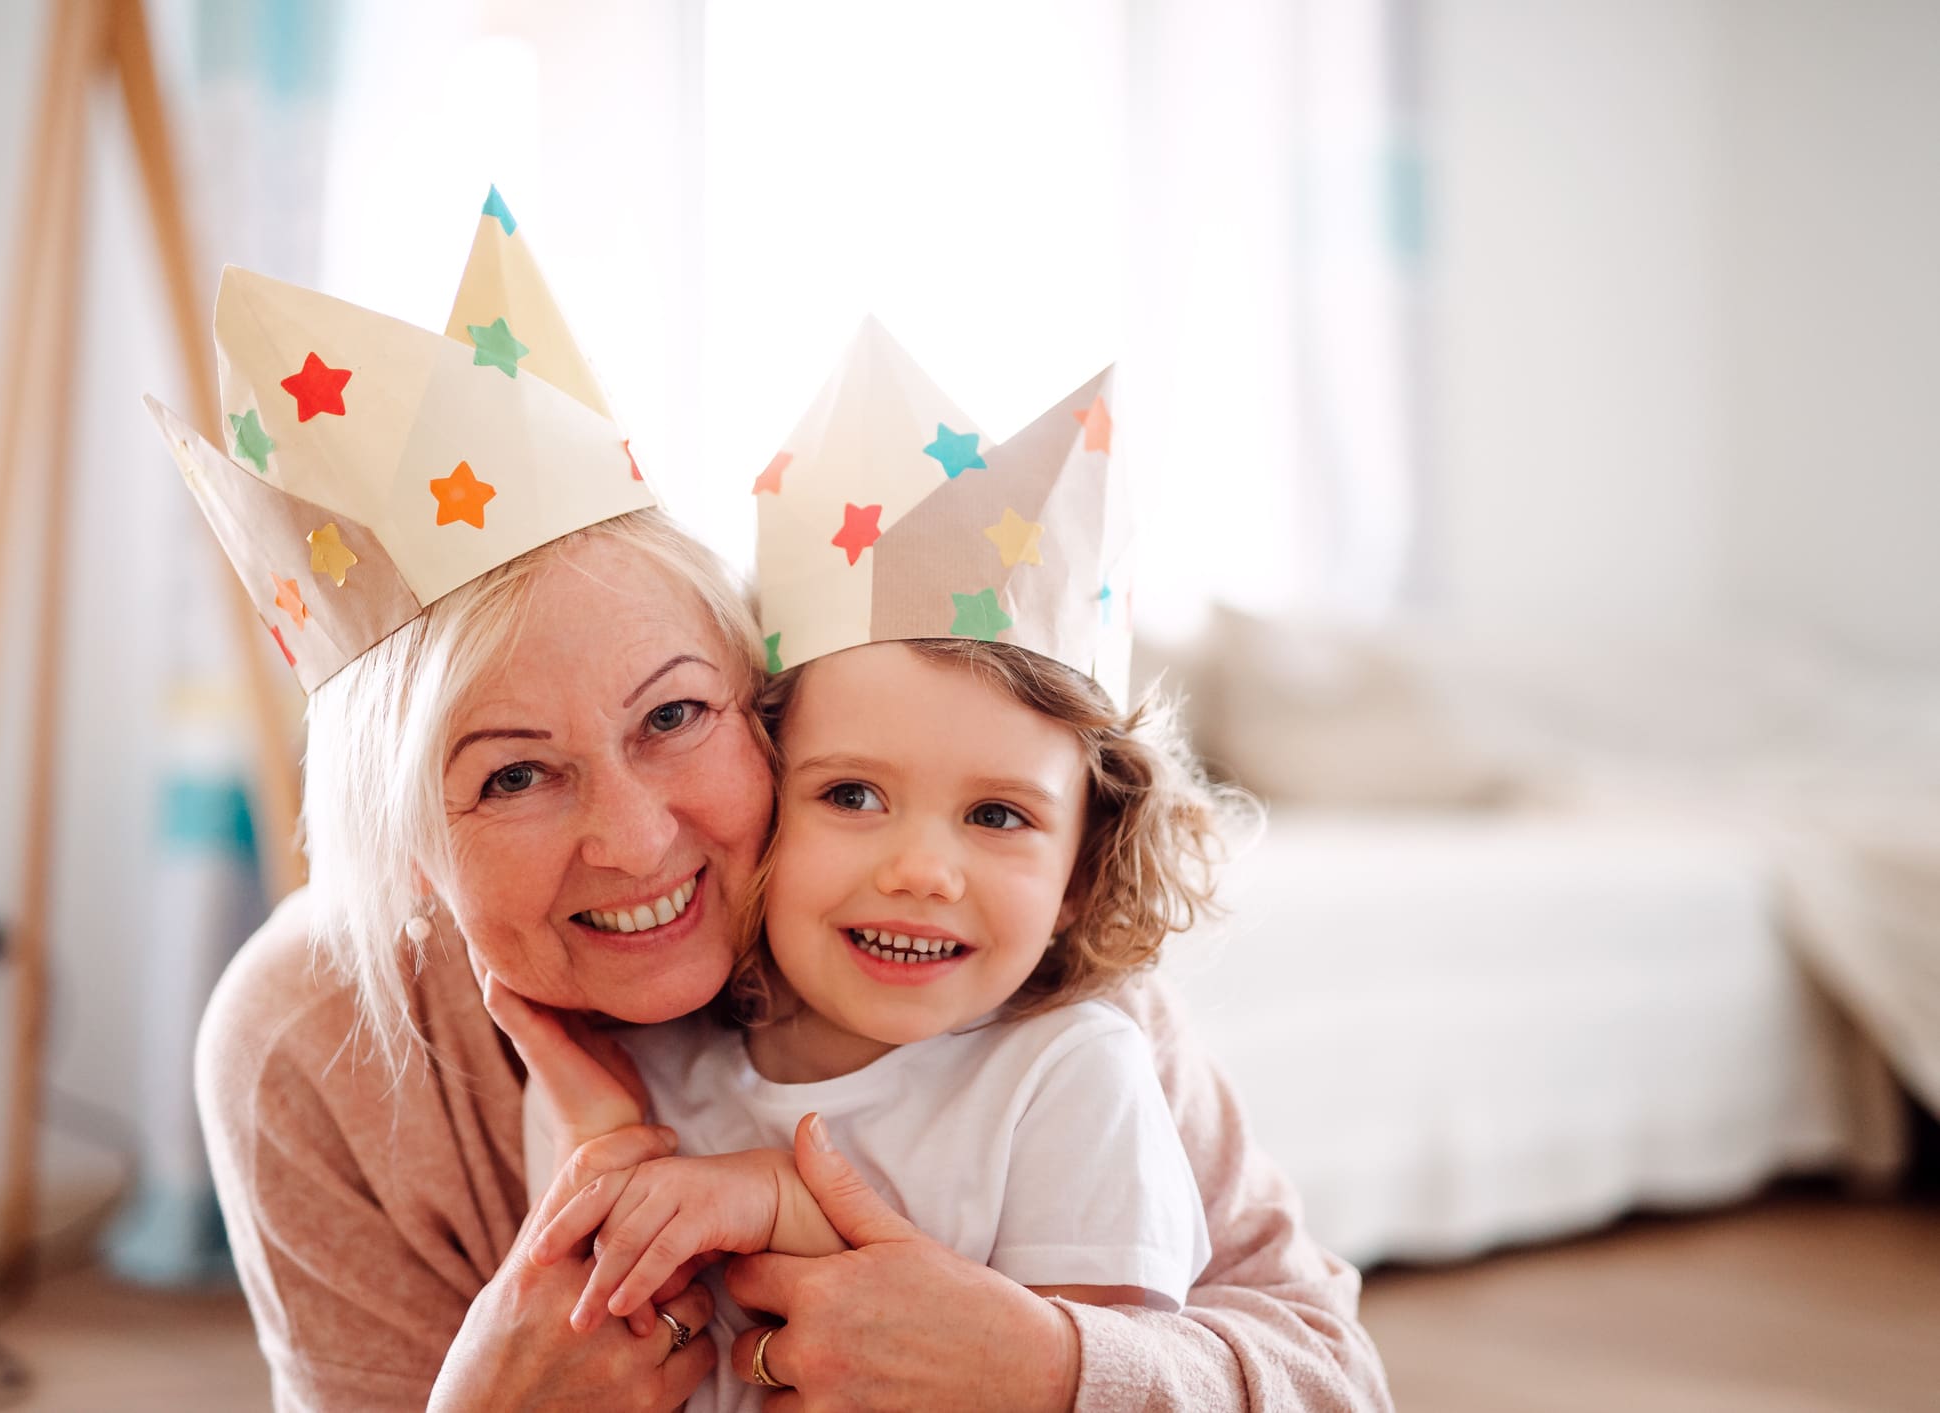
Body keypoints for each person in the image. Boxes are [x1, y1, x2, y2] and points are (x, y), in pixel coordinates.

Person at [173, 194, 1393, 1410]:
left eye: (672, 716)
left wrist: (1051, 1367)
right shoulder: (305, 1037)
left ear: (759, 709)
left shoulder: (1006, 952)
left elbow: (1335, 1382)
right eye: (512, 775)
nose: (637, 842)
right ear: (406, 853)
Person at [502, 320, 1243, 1411]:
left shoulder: (1067, 1079)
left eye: (996, 815)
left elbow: (1059, 1376)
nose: (921, 872)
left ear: (1084, 869)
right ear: (760, 800)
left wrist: (776, 1205)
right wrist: (610, 1144)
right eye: (851, 796)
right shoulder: (660, 1066)